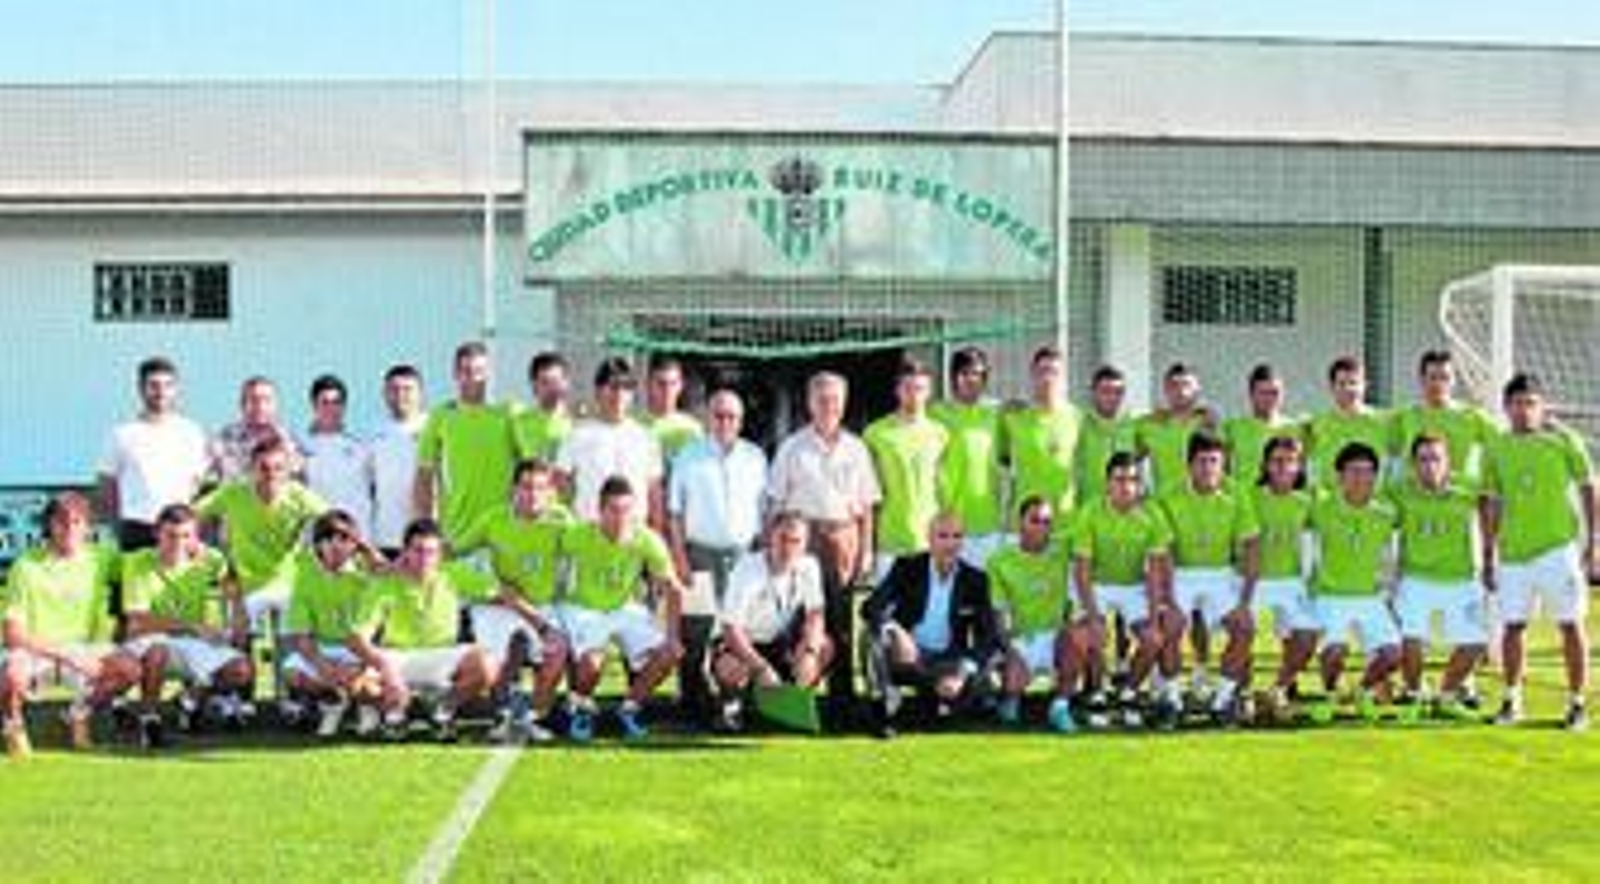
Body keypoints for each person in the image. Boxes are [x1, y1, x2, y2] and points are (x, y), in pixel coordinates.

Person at [1482, 372, 1597, 730]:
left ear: (1541, 406)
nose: (1523, 411)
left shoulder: (1565, 442)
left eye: (1530, 403)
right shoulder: (1497, 447)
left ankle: (1577, 704)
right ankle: (1512, 700)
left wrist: (1594, 541)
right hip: (1514, 555)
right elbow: (1491, 503)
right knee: (1512, 628)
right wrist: (1488, 554)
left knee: (1570, 625)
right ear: (1506, 408)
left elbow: (1588, 489)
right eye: (1516, 404)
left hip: (1557, 551)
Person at [768, 371, 880, 723]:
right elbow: (774, 503)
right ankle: (795, 699)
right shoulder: (792, 447)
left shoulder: (857, 448)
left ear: (844, 403)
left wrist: (866, 550)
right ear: (809, 403)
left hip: (843, 539)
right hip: (803, 538)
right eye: (821, 399)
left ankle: (842, 703)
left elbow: (867, 506)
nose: (828, 406)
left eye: (834, 399)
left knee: (840, 621)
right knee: (799, 621)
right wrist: (773, 548)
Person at [1, 493, 151, 753]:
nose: (70, 529)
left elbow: (149, 562)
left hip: (83, 647)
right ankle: (12, 724)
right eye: (62, 521)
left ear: (88, 527)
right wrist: (69, 655)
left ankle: (77, 714)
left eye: (78, 522)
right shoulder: (25, 566)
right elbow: (13, 634)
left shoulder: (102, 557)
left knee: (131, 669)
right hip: (38, 651)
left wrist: (197, 551)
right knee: (12, 675)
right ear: (49, 525)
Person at [666, 389, 768, 727]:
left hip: (743, 556)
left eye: (732, 416)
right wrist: (679, 556)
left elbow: (764, 512)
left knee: (740, 631)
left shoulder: (755, 457)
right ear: (708, 417)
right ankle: (691, 704)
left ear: (741, 420)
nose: (725, 422)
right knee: (695, 632)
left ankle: (736, 704)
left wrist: (763, 556)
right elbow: (675, 513)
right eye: (719, 415)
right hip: (699, 554)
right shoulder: (688, 455)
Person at [555, 476, 685, 742]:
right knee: (592, 663)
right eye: (613, 510)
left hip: (624, 609)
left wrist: (673, 635)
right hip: (584, 608)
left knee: (669, 653)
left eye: (626, 510)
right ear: (599, 511)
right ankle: (581, 707)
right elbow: (548, 556)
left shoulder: (647, 539)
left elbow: (674, 588)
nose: (621, 518)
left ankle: (629, 709)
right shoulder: (577, 535)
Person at [454, 459, 573, 744]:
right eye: (526, 487)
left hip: (540, 605)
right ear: (513, 490)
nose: (532, 494)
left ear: (550, 492)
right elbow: (454, 552)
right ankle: (502, 716)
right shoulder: (493, 518)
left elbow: (589, 550)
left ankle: (534, 717)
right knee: (494, 662)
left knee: (557, 650)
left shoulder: (562, 520)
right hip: (498, 605)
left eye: (540, 488)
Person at [349, 519, 497, 742]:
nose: (424, 559)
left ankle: (442, 710)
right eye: (418, 550)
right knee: (354, 680)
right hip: (396, 656)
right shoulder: (384, 583)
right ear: (405, 551)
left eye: (431, 552)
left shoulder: (454, 574)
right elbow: (356, 639)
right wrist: (384, 668)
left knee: (488, 663)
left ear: (440, 554)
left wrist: (537, 621)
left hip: (442, 653)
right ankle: (395, 715)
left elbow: (499, 592)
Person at [861, 513, 999, 738]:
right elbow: (870, 607)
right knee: (872, 637)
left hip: (946, 660)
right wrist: (895, 629)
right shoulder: (907, 567)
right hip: (907, 656)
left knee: (974, 688)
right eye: (942, 536)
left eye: (956, 536)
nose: (950, 544)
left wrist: (962, 673)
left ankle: (937, 704)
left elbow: (988, 637)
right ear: (930, 539)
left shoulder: (976, 580)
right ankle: (883, 712)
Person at [1156, 432, 1262, 722]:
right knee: (1171, 626)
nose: (1208, 468)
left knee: (1246, 629)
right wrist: (1167, 600)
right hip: (1180, 572)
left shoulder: (1237, 492)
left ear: (1224, 464)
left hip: (1220, 574)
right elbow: (1162, 551)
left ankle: (1222, 701)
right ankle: (1173, 701)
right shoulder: (1167, 494)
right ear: (1189, 465)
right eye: (1202, 461)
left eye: (1215, 461)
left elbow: (1252, 546)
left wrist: (1245, 600)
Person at [121, 504, 254, 732]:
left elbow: (233, 590)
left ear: (195, 537)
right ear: (156, 534)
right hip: (150, 639)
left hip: (191, 640)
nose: (178, 543)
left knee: (242, 669)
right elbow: (137, 620)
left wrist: (237, 624)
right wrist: (193, 627)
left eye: (186, 536)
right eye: (171, 536)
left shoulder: (210, 559)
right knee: (157, 650)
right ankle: (150, 717)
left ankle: (188, 699)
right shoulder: (138, 562)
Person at [1071, 453, 1180, 728]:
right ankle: (1096, 692)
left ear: (1140, 485)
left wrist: (1155, 620)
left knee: (1154, 640)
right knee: (1091, 634)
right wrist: (1094, 616)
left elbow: (1156, 571)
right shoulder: (1090, 511)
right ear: (1107, 483)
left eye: (1133, 480)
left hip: (1133, 586)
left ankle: (1128, 692)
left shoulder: (1152, 514)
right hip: (1097, 584)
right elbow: (1082, 571)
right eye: (1120, 479)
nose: (1126, 486)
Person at [1391, 434, 1489, 722]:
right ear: (1413, 464)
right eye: (1423, 459)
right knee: (1410, 638)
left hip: (1460, 578)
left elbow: (1493, 503)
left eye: (1436, 458)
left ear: (1448, 462)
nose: (1430, 466)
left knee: (1477, 642)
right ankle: (1412, 693)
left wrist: (1490, 554)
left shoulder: (1469, 488)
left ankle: (1446, 693)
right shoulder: (1399, 491)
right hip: (1415, 577)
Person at [1304, 442, 1402, 724]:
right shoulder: (1320, 508)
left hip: (1370, 597)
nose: (1362, 478)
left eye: (1368, 472)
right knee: (1335, 651)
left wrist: (1390, 593)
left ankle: (1361, 691)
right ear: (1339, 476)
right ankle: (1331, 694)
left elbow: (1391, 556)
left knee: (1393, 655)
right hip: (1329, 595)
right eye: (1354, 471)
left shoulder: (1386, 513)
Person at [712, 513, 832, 731]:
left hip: (778, 639)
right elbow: (731, 630)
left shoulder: (809, 565)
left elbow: (816, 612)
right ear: (770, 538)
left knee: (825, 646)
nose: (788, 548)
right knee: (730, 666)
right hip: (742, 640)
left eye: (796, 541)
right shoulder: (746, 570)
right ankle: (731, 707)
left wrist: (810, 652)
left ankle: (793, 704)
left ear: (806, 544)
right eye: (782, 539)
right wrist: (760, 667)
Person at [195, 435, 327, 632]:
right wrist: (199, 551)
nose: (270, 474)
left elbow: (336, 522)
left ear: (288, 471)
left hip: (287, 585)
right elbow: (190, 516)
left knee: (290, 653)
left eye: (278, 468)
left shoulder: (299, 495)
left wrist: (367, 553)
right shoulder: (233, 493)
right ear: (252, 469)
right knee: (240, 651)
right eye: (263, 468)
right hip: (243, 588)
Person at [989, 496, 1095, 733]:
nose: (1041, 528)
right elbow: (998, 613)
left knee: (1082, 635)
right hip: (1022, 639)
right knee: (1013, 684)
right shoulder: (999, 560)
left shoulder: (1062, 548)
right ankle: (1010, 699)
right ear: (1020, 524)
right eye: (1034, 521)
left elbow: (1091, 527)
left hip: (1055, 637)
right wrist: (1010, 651)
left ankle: (1060, 706)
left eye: (1047, 522)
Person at [281, 509, 388, 738]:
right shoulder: (305, 575)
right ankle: (335, 702)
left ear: (354, 545)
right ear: (318, 545)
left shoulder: (366, 575)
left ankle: (366, 707)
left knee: (368, 686)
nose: (335, 546)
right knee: (293, 673)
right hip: (323, 647)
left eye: (344, 539)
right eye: (328, 539)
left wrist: (368, 551)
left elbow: (391, 575)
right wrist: (324, 667)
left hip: (360, 649)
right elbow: (302, 635)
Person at [97, 356, 209, 550]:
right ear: (141, 389)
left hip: (179, 530)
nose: (161, 392)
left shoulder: (192, 432)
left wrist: (188, 524)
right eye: (154, 385)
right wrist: (118, 527)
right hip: (137, 529)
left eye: (168, 385)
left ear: (176, 389)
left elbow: (197, 483)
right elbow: (107, 485)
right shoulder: (121, 434)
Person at [414, 341, 518, 547]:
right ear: (455, 374)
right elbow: (424, 476)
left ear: (488, 373)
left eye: (479, 371)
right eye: (466, 371)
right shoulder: (440, 416)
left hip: (502, 532)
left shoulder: (509, 414)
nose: (472, 378)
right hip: (455, 534)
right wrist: (428, 528)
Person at [1248, 436, 1322, 724]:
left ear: (1299, 466)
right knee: (1242, 635)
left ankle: (1277, 689)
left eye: (1290, 461)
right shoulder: (1250, 497)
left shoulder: (1308, 501)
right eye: (1277, 461)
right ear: (1266, 465)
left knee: (1307, 636)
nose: (1283, 467)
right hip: (1253, 580)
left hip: (1292, 581)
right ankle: (1240, 695)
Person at [863, 357, 948, 580]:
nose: (914, 394)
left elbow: (943, 488)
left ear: (929, 391)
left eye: (919, 388)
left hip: (929, 543)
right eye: (908, 388)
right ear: (897, 390)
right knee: (888, 615)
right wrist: (868, 547)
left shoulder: (941, 434)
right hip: (890, 543)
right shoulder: (875, 433)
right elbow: (867, 496)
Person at [555, 356, 664, 527]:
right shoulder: (577, 434)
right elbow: (560, 486)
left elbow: (654, 491)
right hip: (591, 532)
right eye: (613, 387)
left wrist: (657, 530)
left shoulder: (645, 437)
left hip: (634, 534)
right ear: (598, 391)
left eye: (626, 388)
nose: (619, 394)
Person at [929, 346, 1006, 567]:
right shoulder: (936, 414)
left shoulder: (995, 413)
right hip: (949, 526)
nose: (972, 380)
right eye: (965, 373)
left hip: (988, 525)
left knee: (983, 596)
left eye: (978, 374)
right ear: (953, 377)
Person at [1002, 345, 1082, 535]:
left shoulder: (1079, 419)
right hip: (1023, 525)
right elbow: (1001, 458)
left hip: (1065, 524)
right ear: (1032, 375)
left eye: (1054, 372)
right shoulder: (1013, 418)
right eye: (1041, 371)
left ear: (1063, 377)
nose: (1047, 378)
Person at [1391, 350, 1499, 487]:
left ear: (1454, 381)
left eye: (1445, 378)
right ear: (1422, 379)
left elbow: (1502, 444)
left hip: (1456, 500)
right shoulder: (1404, 416)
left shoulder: (1471, 416)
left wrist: (1487, 481)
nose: (1439, 384)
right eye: (1433, 377)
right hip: (1414, 501)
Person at [299, 374, 373, 539]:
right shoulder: (300, 445)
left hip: (357, 535)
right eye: (324, 402)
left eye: (336, 403)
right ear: (313, 405)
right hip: (317, 537)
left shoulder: (363, 445)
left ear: (344, 406)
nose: (331, 408)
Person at [1306, 356, 1392, 490]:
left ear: (1365, 385)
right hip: (1330, 505)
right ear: (1331, 387)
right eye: (1342, 383)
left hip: (1371, 504)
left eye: (1354, 383)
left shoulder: (1384, 422)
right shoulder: (1315, 424)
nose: (1349, 389)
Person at [369, 364, 427, 557]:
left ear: (421, 394)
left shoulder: (434, 429)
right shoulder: (374, 434)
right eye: (393, 389)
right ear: (385, 394)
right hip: (385, 538)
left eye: (407, 389)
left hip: (425, 540)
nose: (400, 395)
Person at [1136, 362, 1218, 498]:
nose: (1180, 391)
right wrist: (1139, 491)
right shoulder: (1150, 425)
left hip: (1202, 505)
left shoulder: (1209, 423)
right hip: (1165, 507)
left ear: (1197, 389)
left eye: (1186, 384)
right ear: (1165, 389)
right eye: (1174, 385)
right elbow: (1128, 461)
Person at [1221, 363, 1303, 490]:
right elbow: (1222, 469)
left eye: (1275, 393)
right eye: (1263, 393)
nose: (1269, 399)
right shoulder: (1232, 428)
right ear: (1251, 394)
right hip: (1245, 501)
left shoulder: (1295, 428)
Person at [209, 376, 301, 483]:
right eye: (254, 400)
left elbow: (298, 481)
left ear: (275, 405)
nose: (261, 406)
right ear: (242, 404)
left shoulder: (289, 440)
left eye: (267, 400)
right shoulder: (223, 439)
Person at [1074, 364, 1139, 510]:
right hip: (1089, 515)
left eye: (1118, 392)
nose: (1112, 397)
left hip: (1124, 516)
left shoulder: (1134, 426)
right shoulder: (1078, 424)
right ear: (1093, 392)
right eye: (1105, 391)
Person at [512, 351, 574, 464]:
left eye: (556, 381)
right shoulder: (519, 424)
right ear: (534, 386)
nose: (552, 388)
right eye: (545, 382)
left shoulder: (578, 425)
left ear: (566, 383)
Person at [642, 354, 703, 465]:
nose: (667, 391)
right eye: (661, 384)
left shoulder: (692, 429)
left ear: (681, 386)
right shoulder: (633, 424)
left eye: (673, 384)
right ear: (648, 384)